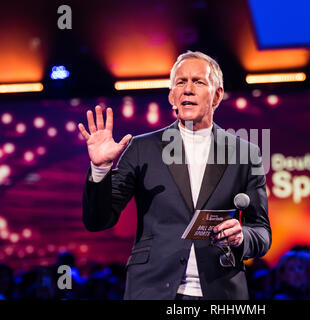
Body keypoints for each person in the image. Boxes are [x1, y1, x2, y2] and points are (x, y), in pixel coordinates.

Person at [78, 51, 271, 300]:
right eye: (181, 82)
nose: (187, 89)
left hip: (220, 291)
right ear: (172, 96)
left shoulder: (245, 153)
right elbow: (97, 221)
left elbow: (262, 232)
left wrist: (243, 236)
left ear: (217, 95)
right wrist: (101, 168)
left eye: (198, 82)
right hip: (153, 289)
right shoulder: (142, 148)